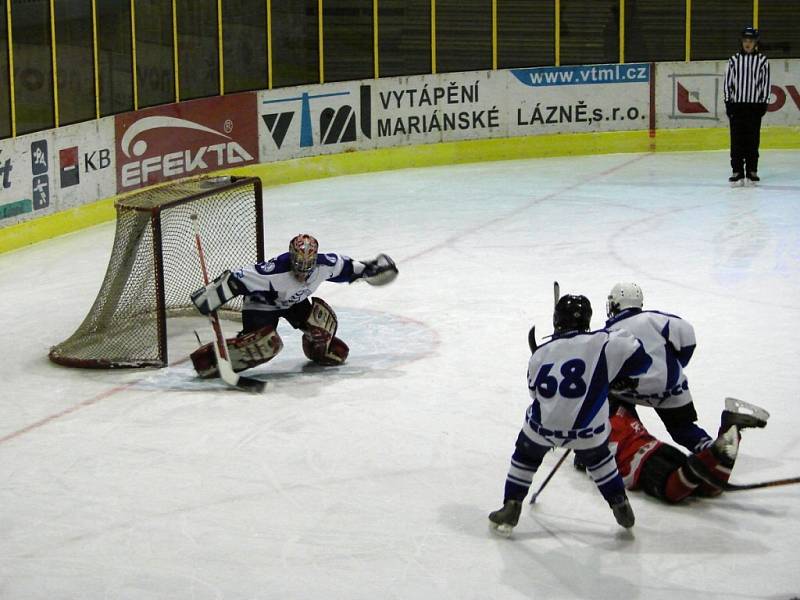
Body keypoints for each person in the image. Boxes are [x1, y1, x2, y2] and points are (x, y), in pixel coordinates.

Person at [488, 295, 652, 537]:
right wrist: (614, 370)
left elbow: (535, 393)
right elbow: (642, 362)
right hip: (589, 433)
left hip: (542, 430)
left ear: (556, 320)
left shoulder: (540, 354)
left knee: (525, 454)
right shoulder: (605, 342)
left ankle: (511, 505)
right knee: (599, 460)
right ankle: (619, 502)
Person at [189, 233, 397, 377]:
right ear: (291, 257)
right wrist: (211, 297)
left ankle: (317, 351)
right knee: (263, 346)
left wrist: (372, 269)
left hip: (294, 302)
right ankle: (212, 358)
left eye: (308, 266)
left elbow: (352, 268)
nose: (303, 272)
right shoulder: (273, 271)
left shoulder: (325, 264)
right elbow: (234, 279)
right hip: (262, 304)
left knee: (321, 326)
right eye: (299, 265)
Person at [603, 282, 714, 455]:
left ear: (615, 303)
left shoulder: (609, 332)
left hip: (630, 392)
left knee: (607, 397)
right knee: (683, 430)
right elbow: (688, 339)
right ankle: (709, 448)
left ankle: (629, 443)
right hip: (670, 390)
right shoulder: (656, 319)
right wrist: (676, 366)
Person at [606, 397, 768, 503]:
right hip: (658, 448)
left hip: (638, 462)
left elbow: (591, 456)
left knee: (671, 490)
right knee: (709, 487)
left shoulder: (595, 419)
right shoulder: (620, 407)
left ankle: (712, 453)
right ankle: (730, 429)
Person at [724, 26, 771, 185]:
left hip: (754, 106)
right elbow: (727, 83)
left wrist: (764, 102)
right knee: (736, 140)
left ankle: (752, 170)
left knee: (753, 140)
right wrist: (728, 102)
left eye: (750, 40)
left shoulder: (763, 61)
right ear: (741, 42)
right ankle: (737, 171)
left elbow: (766, 83)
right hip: (737, 106)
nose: (748, 43)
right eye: (745, 40)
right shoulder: (733, 60)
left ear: (756, 42)